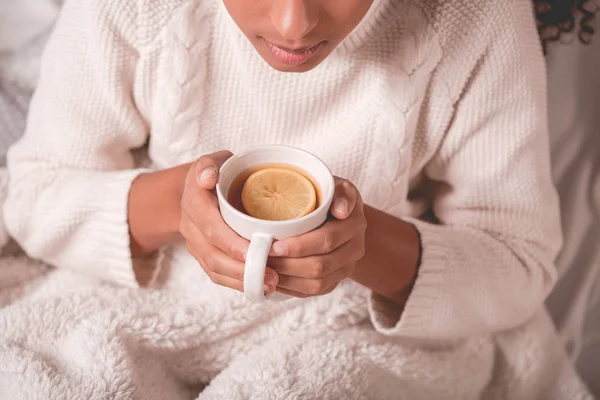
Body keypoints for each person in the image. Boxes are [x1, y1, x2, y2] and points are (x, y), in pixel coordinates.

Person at [0, 0, 585, 396]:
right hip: (135, 306)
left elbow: (519, 261)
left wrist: (363, 248)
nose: (292, 26)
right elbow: (33, 192)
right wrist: (173, 204)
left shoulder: (474, 19)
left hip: (353, 331)